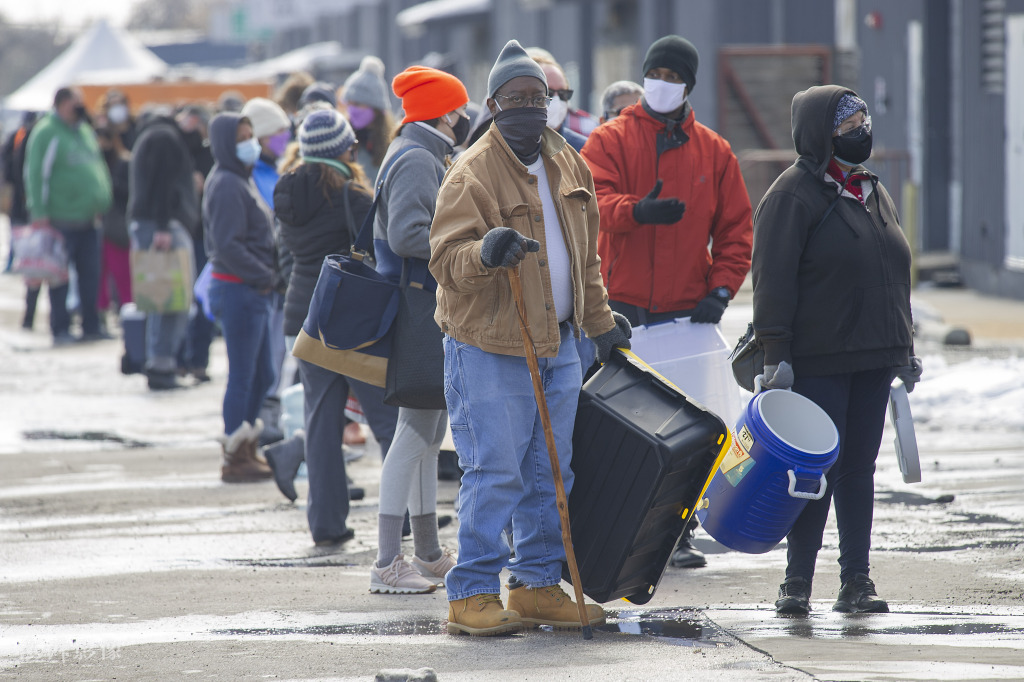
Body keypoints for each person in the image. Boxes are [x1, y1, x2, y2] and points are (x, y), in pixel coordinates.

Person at [429, 39, 630, 636]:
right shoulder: (472, 171)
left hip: (559, 342)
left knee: (551, 470)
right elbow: (443, 260)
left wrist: (599, 324)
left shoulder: (568, 161)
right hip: (490, 343)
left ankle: (538, 583)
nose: (529, 107)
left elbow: (586, 258)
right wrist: (485, 252)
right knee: (495, 471)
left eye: (537, 97)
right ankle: (470, 594)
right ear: (493, 104)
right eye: (516, 98)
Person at [581, 36, 753, 569]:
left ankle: (677, 532)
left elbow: (736, 229)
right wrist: (638, 212)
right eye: (654, 72)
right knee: (621, 431)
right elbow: (591, 202)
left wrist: (722, 289)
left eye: (672, 76)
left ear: (687, 85)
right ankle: (617, 528)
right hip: (623, 313)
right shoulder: (609, 139)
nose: (661, 82)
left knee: (690, 432)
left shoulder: (715, 152)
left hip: (686, 317)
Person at [752, 86, 922, 616]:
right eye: (848, 125)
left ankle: (856, 582)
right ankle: (797, 581)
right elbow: (771, 281)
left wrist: (904, 346)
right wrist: (774, 353)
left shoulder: (871, 188)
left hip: (873, 354)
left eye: (864, 120)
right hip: (819, 358)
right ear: (819, 132)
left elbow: (895, 272)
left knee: (858, 470)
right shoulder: (793, 194)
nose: (862, 131)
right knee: (814, 473)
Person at [368, 65, 471, 595]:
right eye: (458, 107)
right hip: (419, 308)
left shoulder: (416, 150)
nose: (464, 117)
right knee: (414, 433)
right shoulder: (416, 158)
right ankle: (388, 562)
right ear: (444, 112)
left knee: (428, 433)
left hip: (421, 306)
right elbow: (411, 236)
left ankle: (427, 552)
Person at [203, 111, 277, 483]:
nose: (251, 142)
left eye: (251, 134)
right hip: (239, 289)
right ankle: (234, 454)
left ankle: (247, 445)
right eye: (242, 137)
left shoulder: (239, 178)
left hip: (251, 290)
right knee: (244, 376)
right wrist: (265, 276)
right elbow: (228, 246)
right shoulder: (227, 184)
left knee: (263, 374)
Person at [23, 87, 113, 346]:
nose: (81, 108)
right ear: (62, 104)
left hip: (88, 218)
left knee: (90, 274)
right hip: (60, 217)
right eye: (76, 104)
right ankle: (60, 327)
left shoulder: (83, 130)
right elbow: (36, 173)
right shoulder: (47, 132)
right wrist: (39, 211)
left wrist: (101, 198)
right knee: (58, 276)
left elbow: (97, 166)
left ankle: (91, 325)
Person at [127, 112, 201, 391]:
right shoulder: (164, 137)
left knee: (162, 297)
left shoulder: (152, 135)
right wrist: (162, 225)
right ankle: (161, 366)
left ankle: (161, 363)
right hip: (163, 226)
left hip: (154, 224)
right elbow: (162, 183)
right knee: (169, 297)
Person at [241, 96, 293, 442]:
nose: (284, 140)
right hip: (259, 279)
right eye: (277, 134)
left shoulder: (277, 169)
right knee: (259, 356)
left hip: (277, 278)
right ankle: (256, 424)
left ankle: (268, 420)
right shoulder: (249, 175)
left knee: (277, 353)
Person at [176, 104, 216, 383]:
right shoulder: (175, 153)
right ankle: (179, 360)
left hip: (203, 236)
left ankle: (198, 361)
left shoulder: (211, 155)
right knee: (178, 301)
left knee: (202, 303)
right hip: (182, 234)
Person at [2, 111, 42, 329]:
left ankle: (29, 318)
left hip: (26, 209)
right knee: (35, 265)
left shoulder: (25, 137)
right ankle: (28, 317)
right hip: (30, 211)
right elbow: (17, 173)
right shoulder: (29, 138)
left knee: (34, 266)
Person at [95, 125, 133, 319]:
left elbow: (129, 194)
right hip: (97, 225)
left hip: (118, 227)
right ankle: (100, 314)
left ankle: (127, 313)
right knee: (98, 275)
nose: (102, 144)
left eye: (105, 140)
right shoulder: (93, 163)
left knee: (122, 274)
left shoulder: (125, 162)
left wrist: (110, 187)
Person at [341, 56, 393, 182]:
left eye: (358, 104)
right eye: (350, 103)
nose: (352, 109)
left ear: (375, 107)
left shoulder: (391, 142)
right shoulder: (343, 139)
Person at [528, 51, 589, 152]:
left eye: (563, 94)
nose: (556, 100)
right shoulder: (502, 145)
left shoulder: (582, 149)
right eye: (548, 92)